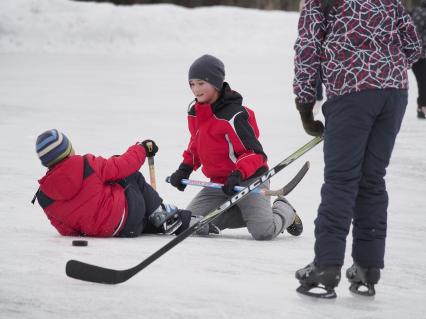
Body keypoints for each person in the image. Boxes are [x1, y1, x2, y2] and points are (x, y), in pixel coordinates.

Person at [293, 0, 422, 298]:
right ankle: (367, 267)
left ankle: (326, 266)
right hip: (393, 93)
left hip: (351, 92)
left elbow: (308, 51)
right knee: (372, 179)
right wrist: (382, 61)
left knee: (341, 181)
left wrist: (305, 107)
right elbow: (413, 46)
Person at [169, 54, 302, 240]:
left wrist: (238, 174)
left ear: (215, 83)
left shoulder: (234, 116)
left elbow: (255, 154)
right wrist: (185, 168)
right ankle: (250, 213)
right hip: (219, 182)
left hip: (248, 179)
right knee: (193, 223)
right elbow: (196, 144)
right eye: (192, 84)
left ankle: (283, 209)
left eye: (201, 83)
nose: (195, 89)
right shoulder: (195, 112)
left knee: (263, 231)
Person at [33, 129, 191, 237]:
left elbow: (65, 229)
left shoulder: (44, 197)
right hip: (129, 216)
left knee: (111, 185)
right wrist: (141, 148)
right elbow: (124, 164)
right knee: (127, 174)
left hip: (118, 232)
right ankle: (165, 217)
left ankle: (161, 220)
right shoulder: (86, 164)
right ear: (68, 150)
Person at [411, 0, 426, 119]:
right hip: (420, 56)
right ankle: (422, 107)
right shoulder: (421, 12)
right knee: (423, 81)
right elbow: (414, 33)